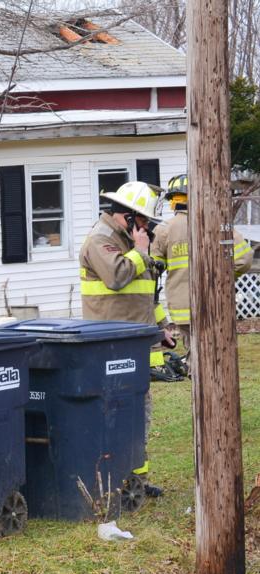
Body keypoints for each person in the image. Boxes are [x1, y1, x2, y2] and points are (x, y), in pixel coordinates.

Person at [79, 180, 174, 498]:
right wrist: (141, 252)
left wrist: (163, 327)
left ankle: (136, 481)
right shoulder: (101, 240)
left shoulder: (131, 243)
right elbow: (118, 277)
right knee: (115, 413)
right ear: (126, 215)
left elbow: (146, 294)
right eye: (143, 220)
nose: (146, 227)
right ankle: (111, 481)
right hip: (110, 346)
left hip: (136, 342)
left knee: (138, 414)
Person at [151, 173, 254, 361]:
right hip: (216, 303)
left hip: (184, 308)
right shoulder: (218, 224)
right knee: (217, 357)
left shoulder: (164, 230)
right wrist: (223, 278)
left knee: (196, 359)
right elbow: (245, 258)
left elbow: (153, 269)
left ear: (173, 201)